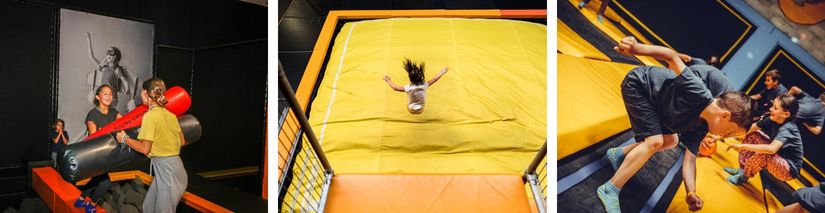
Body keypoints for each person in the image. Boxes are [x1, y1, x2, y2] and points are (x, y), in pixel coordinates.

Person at [598, 36, 755, 213]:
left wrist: (691, 192)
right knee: (655, 141)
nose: (726, 137)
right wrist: (636, 48)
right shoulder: (700, 93)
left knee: (671, 140)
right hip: (640, 86)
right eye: (731, 132)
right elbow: (672, 56)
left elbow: (690, 160)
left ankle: (618, 154)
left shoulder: (702, 125)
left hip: (660, 104)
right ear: (725, 116)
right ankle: (610, 188)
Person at [117, 77, 187, 212]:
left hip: (167, 171)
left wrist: (125, 138)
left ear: (145, 93)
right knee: (148, 207)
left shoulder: (149, 116)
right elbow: (182, 142)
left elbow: (144, 149)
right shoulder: (170, 115)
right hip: (174, 168)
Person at [725, 94, 803, 185]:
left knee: (766, 154)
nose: (770, 109)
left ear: (786, 114)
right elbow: (747, 130)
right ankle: (742, 170)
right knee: (753, 135)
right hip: (776, 156)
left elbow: (771, 149)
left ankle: (744, 176)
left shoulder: (788, 128)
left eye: (775, 108)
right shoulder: (771, 118)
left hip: (788, 170)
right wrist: (723, 135)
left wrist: (744, 146)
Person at [75, 84, 123, 209]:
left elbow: (125, 121)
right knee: (105, 183)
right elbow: (94, 138)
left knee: (97, 180)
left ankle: (80, 199)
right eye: (105, 93)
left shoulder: (114, 113)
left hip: (108, 154)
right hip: (95, 154)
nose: (109, 96)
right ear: (97, 96)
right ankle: (91, 204)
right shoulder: (92, 114)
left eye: (111, 94)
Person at [86, 32, 138, 112]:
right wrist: (88, 40)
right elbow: (91, 57)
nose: (108, 55)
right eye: (107, 53)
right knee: (100, 114)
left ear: (116, 57)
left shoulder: (117, 69)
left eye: (111, 54)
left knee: (106, 114)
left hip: (111, 98)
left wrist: (127, 88)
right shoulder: (104, 68)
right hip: (102, 97)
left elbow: (124, 81)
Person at [383, 58, 448, 114]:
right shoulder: (424, 85)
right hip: (421, 110)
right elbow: (435, 79)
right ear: (422, 77)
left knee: (408, 106)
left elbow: (395, 88)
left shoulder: (408, 88)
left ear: (410, 79)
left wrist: (388, 80)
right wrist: (442, 72)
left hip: (411, 109)